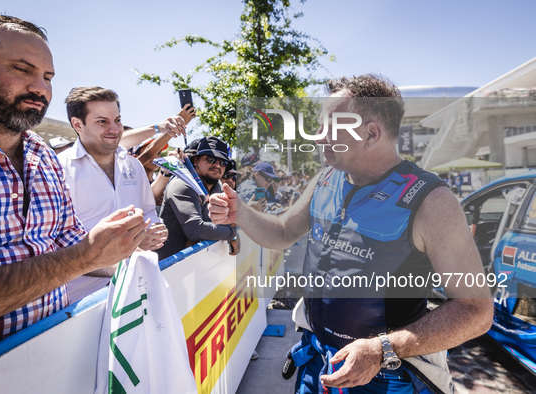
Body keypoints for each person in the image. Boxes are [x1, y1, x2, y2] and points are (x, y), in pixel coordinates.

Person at [209, 74, 492, 392]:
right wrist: (240, 213)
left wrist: (382, 349)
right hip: (317, 359)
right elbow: (283, 231)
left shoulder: (431, 200)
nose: (318, 138)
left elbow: (476, 310)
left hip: (383, 374)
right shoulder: (327, 178)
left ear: (371, 133)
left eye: (329, 127)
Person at [0, 15, 148, 367]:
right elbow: (78, 256)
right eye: (23, 69)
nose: (40, 89)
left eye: (48, 77)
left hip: (57, 361)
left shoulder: (41, 153)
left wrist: (125, 251)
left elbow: (72, 243)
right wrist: (86, 256)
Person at [58, 87, 170, 303]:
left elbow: (147, 209)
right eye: (102, 121)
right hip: (83, 300)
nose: (115, 129)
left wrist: (152, 228)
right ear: (77, 124)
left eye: (117, 120)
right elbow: (53, 242)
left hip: (136, 286)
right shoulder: (58, 169)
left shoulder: (133, 165)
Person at [157, 136, 237, 260]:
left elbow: (219, 222)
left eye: (222, 162)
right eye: (211, 159)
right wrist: (232, 233)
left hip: (199, 264)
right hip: (169, 267)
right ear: (195, 161)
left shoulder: (218, 186)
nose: (217, 165)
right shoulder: (182, 184)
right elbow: (196, 230)